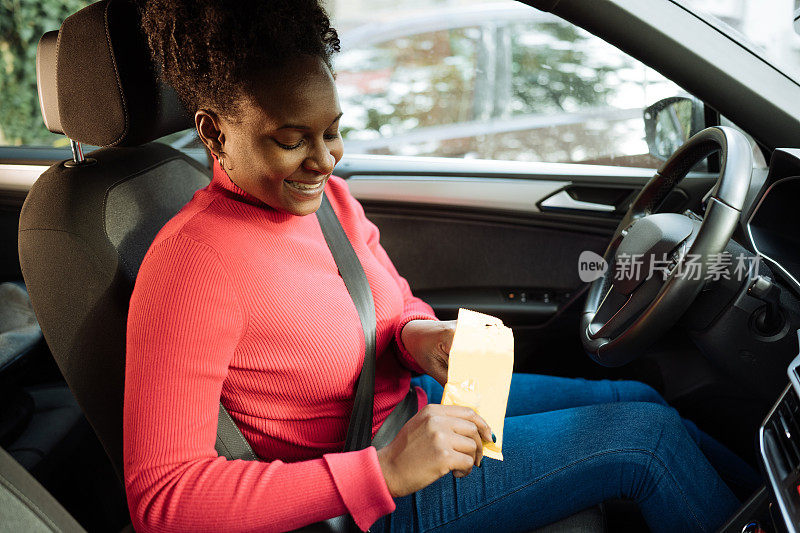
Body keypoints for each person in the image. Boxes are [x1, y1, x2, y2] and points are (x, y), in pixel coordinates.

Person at [124, 1, 759, 532]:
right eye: (292, 141)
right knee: (642, 441)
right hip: (377, 492)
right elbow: (164, 499)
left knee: (643, 396)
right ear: (213, 132)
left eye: (333, 132)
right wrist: (387, 472)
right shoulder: (190, 268)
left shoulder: (328, 202)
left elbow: (394, 306)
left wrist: (422, 337)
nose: (325, 161)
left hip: (420, 405)